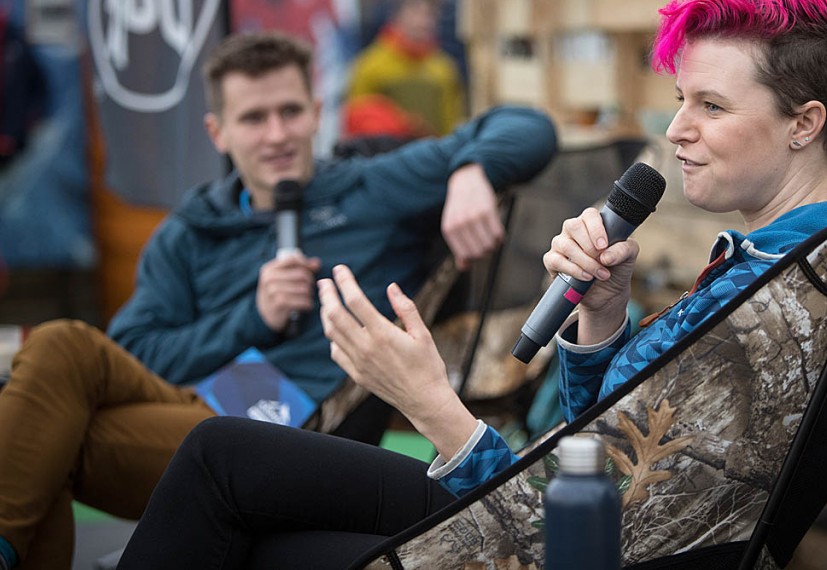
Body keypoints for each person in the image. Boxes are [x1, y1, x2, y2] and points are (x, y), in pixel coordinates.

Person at [116, 0, 827, 569]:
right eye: (680, 99)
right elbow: (606, 437)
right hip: (539, 500)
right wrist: (601, 318)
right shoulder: (789, 260)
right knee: (239, 495)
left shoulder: (780, 300)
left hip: (536, 529)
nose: (676, 128)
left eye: (711, 106)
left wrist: (428, 401)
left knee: (223, 463)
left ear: (803, 124)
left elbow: (590, 538)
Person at [0, 32, 556, 570]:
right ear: (217, 132)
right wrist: (251, 318)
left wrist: (472, 171)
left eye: (290, 111)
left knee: (39, 443)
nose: (276, 134)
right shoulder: (193, 231)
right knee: (60, 347)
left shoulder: (369, 188)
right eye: (252, 118)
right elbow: (131, 355)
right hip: (194, 410)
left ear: (316, 113)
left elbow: (527, 125)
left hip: (298, 435)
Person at [341, 0, 465, 139]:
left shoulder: (443, 68)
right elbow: (355, 121)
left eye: (429, 15)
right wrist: (400, 124)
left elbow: (451, 124)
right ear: (397, 17)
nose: (422, 22)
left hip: (432, 158)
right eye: (415, 13)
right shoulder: (370, 65)